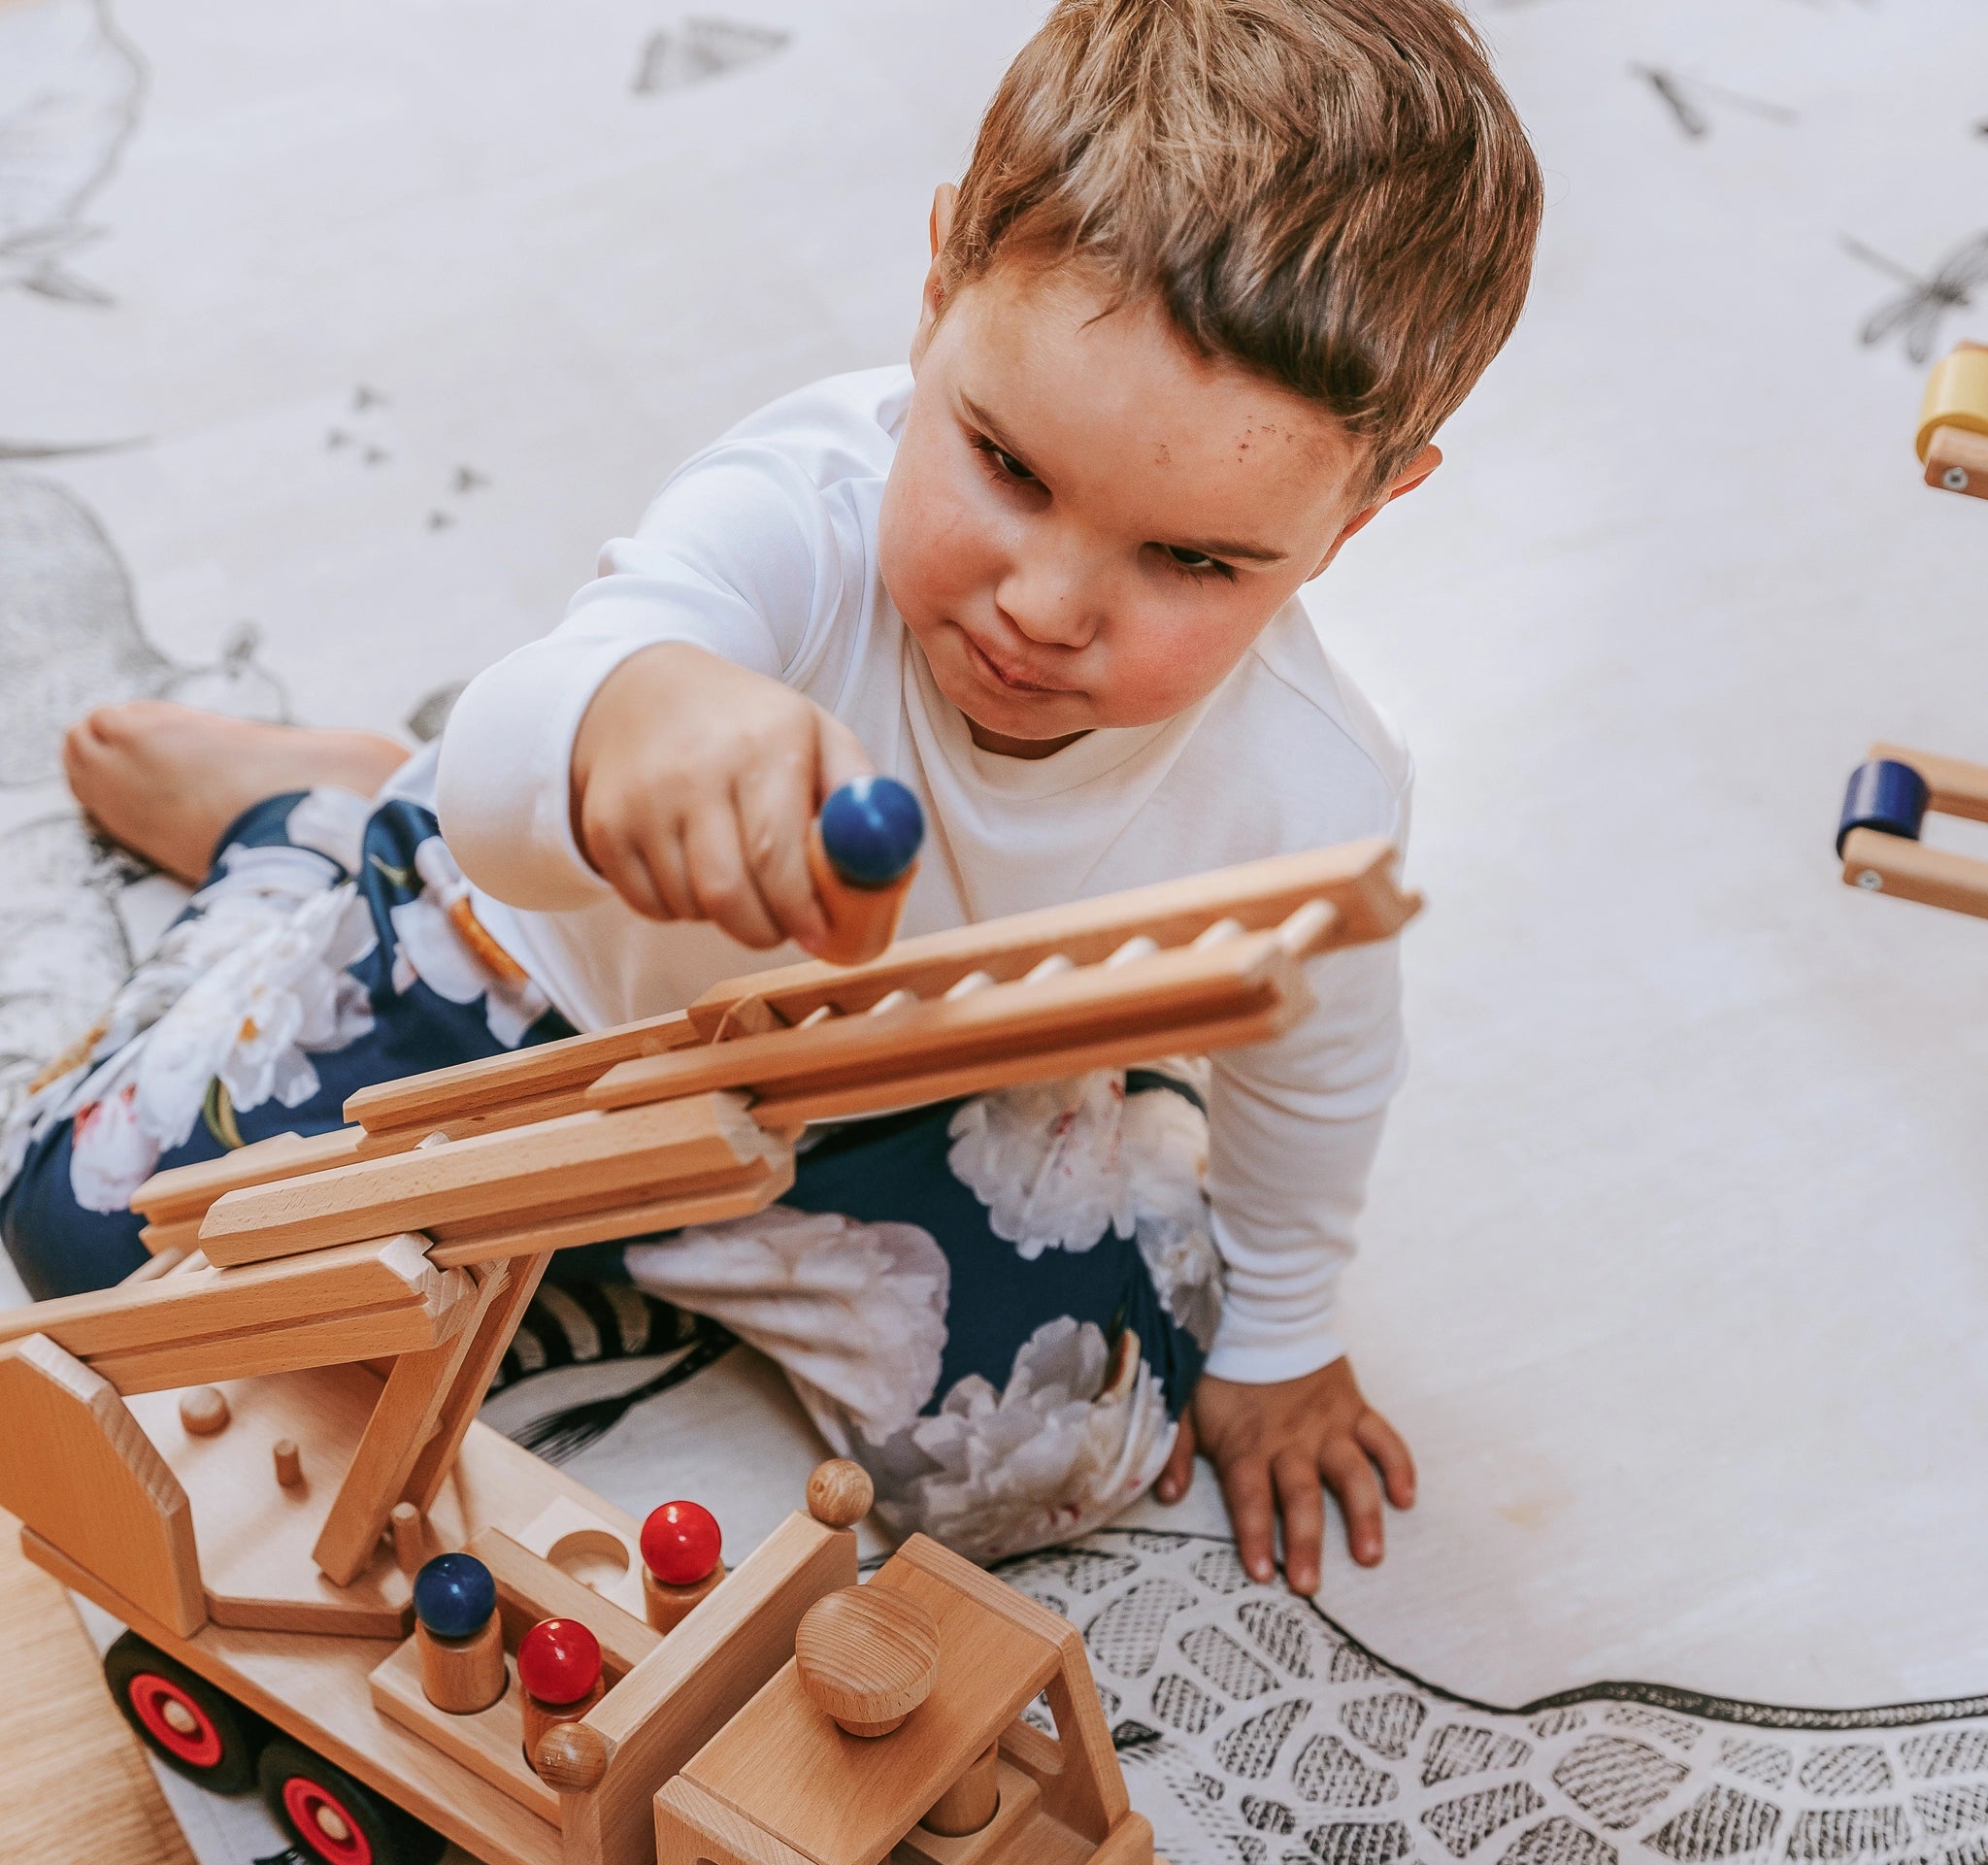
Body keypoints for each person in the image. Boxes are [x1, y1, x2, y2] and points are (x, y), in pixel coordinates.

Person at [2, 0, 1541, 1590]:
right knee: (90, 1250)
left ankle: (1070, 1123)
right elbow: (511, 774)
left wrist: (1282, 1331)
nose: (1046, 606)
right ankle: (305, 829)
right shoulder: (793, 511)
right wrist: (640, 720)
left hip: (883, 1113)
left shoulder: (1317, 787)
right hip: (521, 996)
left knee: (1061, 1460)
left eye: (1192, 560)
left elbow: (1322, 1064)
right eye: (1008, 467)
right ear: (940, 285)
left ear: (1361, 512)